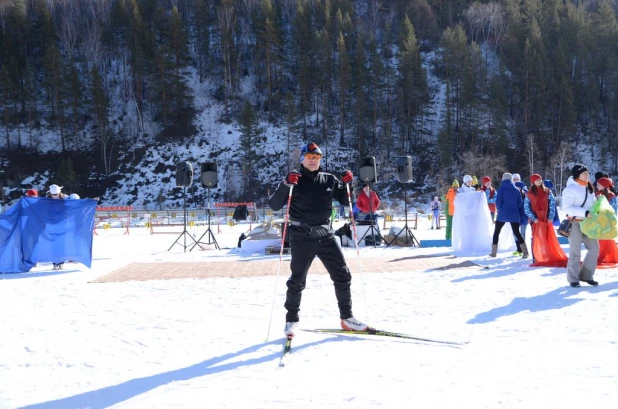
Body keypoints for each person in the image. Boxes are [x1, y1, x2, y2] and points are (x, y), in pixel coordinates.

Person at [268, 142, 368, 337]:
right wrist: (284, 184)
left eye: (317, 158)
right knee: (297, 280)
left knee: (343, 275)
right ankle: (291, 320)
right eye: (309, 157)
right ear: (302, 159)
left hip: (326, 235)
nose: (313, 161)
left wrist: (349, 184)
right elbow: (274, 204)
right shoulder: (293, 180)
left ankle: (347, 318)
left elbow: (347, 200)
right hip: (301, 236)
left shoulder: (329, 179)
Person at [561, 164, 599, 287]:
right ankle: (573, 279)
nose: (587, 175)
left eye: (588, 173)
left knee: (594, 249)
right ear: (577, 175)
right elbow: (566, 208)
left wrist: (599, 208)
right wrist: (585, 213)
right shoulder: (570, 189)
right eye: (584, 173)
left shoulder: (589, 187)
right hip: (575, 223)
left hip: (588, 223)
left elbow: (592, 205)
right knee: (575, 252)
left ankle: (586, 276)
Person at [524, 174, 567, 267]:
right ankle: (536, 257)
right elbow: (526, 207)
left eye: (540, 179)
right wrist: (533, 218)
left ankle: (548, 255)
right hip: (535, 219)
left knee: (548, 237)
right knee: (536, 237)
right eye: (537, 180)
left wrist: (550, 217)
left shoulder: (547, 191)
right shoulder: (529, 193)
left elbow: (552, 204)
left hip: (546, 218)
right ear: (533, 182)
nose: (539, 181)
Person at [489, 173, 528, 258]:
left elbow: (498, 203)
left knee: (497, 232)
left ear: (503, 179)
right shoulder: (516, 190)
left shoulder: (501, 189)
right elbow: (520, 203)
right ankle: (525, 252)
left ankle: (493, 252)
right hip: (514, 214)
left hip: (502, 214)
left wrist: (500, 209)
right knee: (517, 233)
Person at [595, 177, 618, 267]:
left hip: (608, 220)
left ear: (604, 185)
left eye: (598, 184)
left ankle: (612, 256)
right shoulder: (598, 194)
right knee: (601, 239)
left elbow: (613, 210)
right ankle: (602, 256)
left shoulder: (611, 196)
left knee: (608, 239)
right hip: (600, 220)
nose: (596, 186)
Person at [46, 184, 66, 270]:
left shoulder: (65, 198)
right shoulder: (46, 200)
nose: (55, 196)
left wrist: (91, 201)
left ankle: (61, 262)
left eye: (56, 194)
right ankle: (55, 263)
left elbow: (77, 202)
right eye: (53, 195)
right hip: (52, 224)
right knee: (53, 244)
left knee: (61, 243)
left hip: (62, 224)